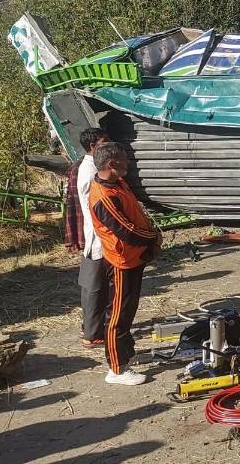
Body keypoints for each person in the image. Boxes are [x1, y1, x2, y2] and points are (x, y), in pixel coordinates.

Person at [89, 143, 161, 386]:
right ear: (111, 164)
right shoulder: (103, 196)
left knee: (128, 310)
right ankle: (116, 369)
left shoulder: (118, 183)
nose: (128, 163)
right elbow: (126, 230)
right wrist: (152, 237)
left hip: (134, 256)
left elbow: (135, 213)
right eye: (124, 159)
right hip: (122, 260)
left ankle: (126, 354)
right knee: (117, 315)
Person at [69, 128, 111, 348]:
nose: (108, 146)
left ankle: (89, 327)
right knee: (96, 286)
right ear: (93, 146)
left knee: (89, 284)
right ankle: (93, 334)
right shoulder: (91, 170)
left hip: (94, 233)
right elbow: (96, 206)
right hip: (98, 235)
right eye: (105, 142)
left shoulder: (88, 167)